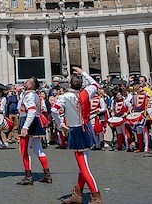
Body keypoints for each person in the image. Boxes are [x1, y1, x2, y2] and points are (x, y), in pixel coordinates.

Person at [54, 66, 102, 204]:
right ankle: (78, 193)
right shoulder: (87, 92)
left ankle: (96, 196)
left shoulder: (65, 97)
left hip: (76, 131)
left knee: (84, 166)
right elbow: (95, 84)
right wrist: (83, 73)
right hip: (86, 128)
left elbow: (54, 110)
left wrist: (60, 124)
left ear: (69, 84)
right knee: (83, 165)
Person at [17, 77, 52, 185]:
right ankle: (47, 175)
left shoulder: (30, 95)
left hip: (28, 121)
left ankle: (28, 176)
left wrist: (25, 127)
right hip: (35, 121)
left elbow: (31, 111)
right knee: (38, 150)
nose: (25, 81)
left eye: (28, 81)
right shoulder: (33, 94)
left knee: (24, 150)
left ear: (31, 85)